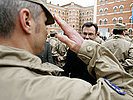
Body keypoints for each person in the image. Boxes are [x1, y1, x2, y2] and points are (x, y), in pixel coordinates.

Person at [0, 0, 133, 100]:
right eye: (45, 22)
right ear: (27, 21)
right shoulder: (61, 91)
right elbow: (127, 93)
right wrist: (90, 50)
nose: (47, 31)